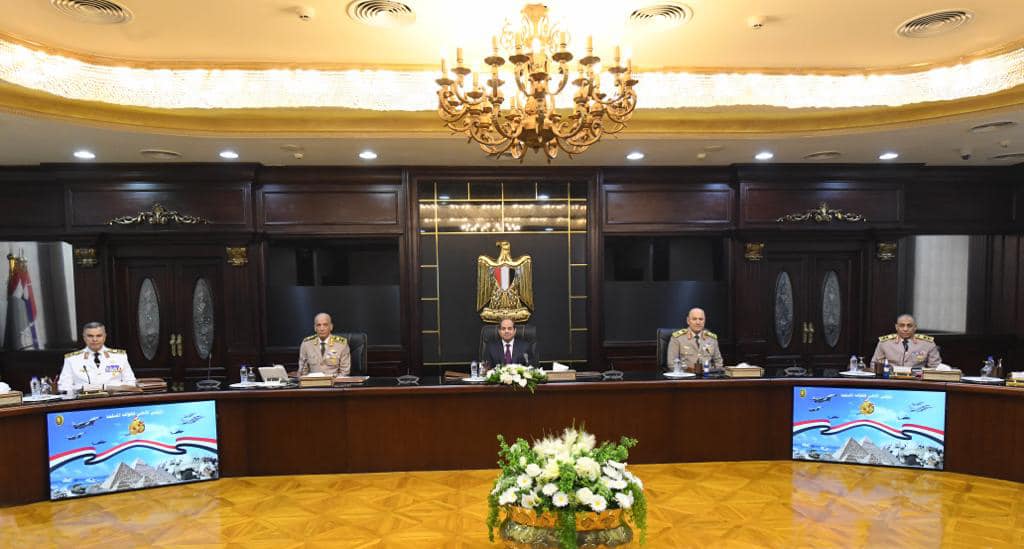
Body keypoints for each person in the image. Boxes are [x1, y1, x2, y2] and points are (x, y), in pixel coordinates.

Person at [58, 322, 136, 393]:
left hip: (114, 399)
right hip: (84, 400)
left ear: (105, 336)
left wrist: (113, 389)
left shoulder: (120, 357)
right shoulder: (72, 359)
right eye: (90, 336)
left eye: (99, 336)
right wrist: (83, 389)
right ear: (84, 337)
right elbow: (63, 387)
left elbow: (131, 383)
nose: (94, 339)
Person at [871, 314, 941, 368]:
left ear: (915, 327)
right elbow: (875, 365)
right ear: (896, 327)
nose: (905, 329)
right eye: (902, 325)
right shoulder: (885, 343)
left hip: (918, 380)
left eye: (909, 326)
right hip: (891, 379)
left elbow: (935, 367)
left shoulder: (927, 343)